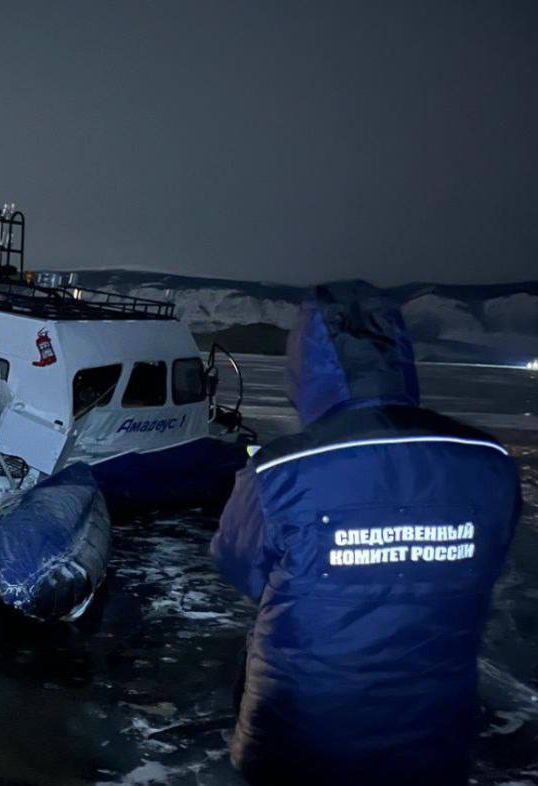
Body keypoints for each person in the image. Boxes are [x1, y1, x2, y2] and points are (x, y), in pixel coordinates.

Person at [211, 281, 520, 786]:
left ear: (307, 364)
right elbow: (489, 560)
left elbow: (238, 562)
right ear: (400, 353)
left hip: (301, 737)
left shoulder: (281, 471)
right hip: (432, 736)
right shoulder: (487, 461)